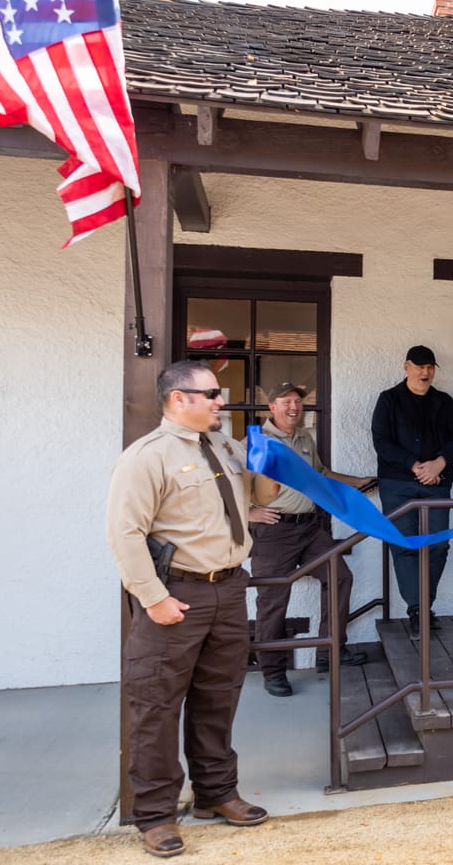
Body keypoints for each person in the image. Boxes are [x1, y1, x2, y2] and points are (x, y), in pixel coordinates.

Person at [106, 360, 280, 858]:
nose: (221, 401)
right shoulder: (147, 456)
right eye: (211, 394)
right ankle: (156, 815)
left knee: (219, 698)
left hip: (229, 588)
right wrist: (153, 598)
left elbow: (259, 496)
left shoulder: (224, 446)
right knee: (156, 705)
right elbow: (125, 533)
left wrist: (266, 466)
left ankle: (216, 793)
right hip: (178, 593)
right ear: (179, 399)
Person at [247, 382, 372, 697]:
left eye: (297, 401)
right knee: (274, 599)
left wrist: (358, 482)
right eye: (285, 401)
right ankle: (273, 671)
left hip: (310, 529)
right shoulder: (256, 442)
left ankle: (330, 652)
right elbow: (230, 484)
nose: (293, 407)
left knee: (339, 577)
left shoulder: (304, 437)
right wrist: (249, 512)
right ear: (271, 407)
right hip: (274, 533)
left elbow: (321, 474)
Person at [371, 345, 453, 638]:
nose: (426, 372)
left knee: (439, 545)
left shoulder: (444, 401)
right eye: (420, 366)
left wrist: (439, 464)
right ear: (406, 367)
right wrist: (414, 466)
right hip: (398, 484)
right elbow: (381, 441)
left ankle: (422, 607)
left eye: (430, 367)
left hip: (437, 483)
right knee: (404, 546)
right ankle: (418, 611)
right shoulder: (388, 399)